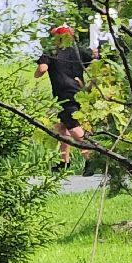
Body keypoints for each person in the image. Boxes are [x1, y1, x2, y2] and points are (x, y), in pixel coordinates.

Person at [34, 24, 96, 170]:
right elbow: (94, 64)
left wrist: (36, 74)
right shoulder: (78, 51)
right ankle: (65, 162)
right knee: (62, 127)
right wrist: (91, 85)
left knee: (74, 127)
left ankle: (91, 159)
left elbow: (42, 68)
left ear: (57, 37)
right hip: (78, 91)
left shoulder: (51, 51)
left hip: (63, 94)